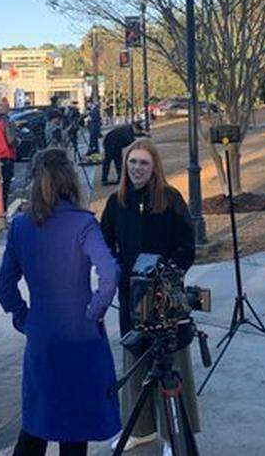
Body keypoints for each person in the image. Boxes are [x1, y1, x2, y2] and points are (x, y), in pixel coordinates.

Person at [0, 148, 120, 455]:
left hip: (43, 334)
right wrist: (94, 312)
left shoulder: (21, 226)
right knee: (74, 428)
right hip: (81, 336)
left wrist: (24, 318)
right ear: (70, 180)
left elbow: (4, 288)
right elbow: (110, 275)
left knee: (37, 422)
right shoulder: (83, 224)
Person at [100, 138, 199, 451]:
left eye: (143, 163)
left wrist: (168, 275)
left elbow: (187, 245)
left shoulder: (170, 199)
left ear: (154, 167)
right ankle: (140, 429)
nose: (137, 168)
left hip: (165, 295)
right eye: (132, 162)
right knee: (137, 359)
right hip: (132, 296)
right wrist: (119, 272)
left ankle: (175, 435)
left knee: (173, 364)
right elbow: (105, 244)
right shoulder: (117, 203)